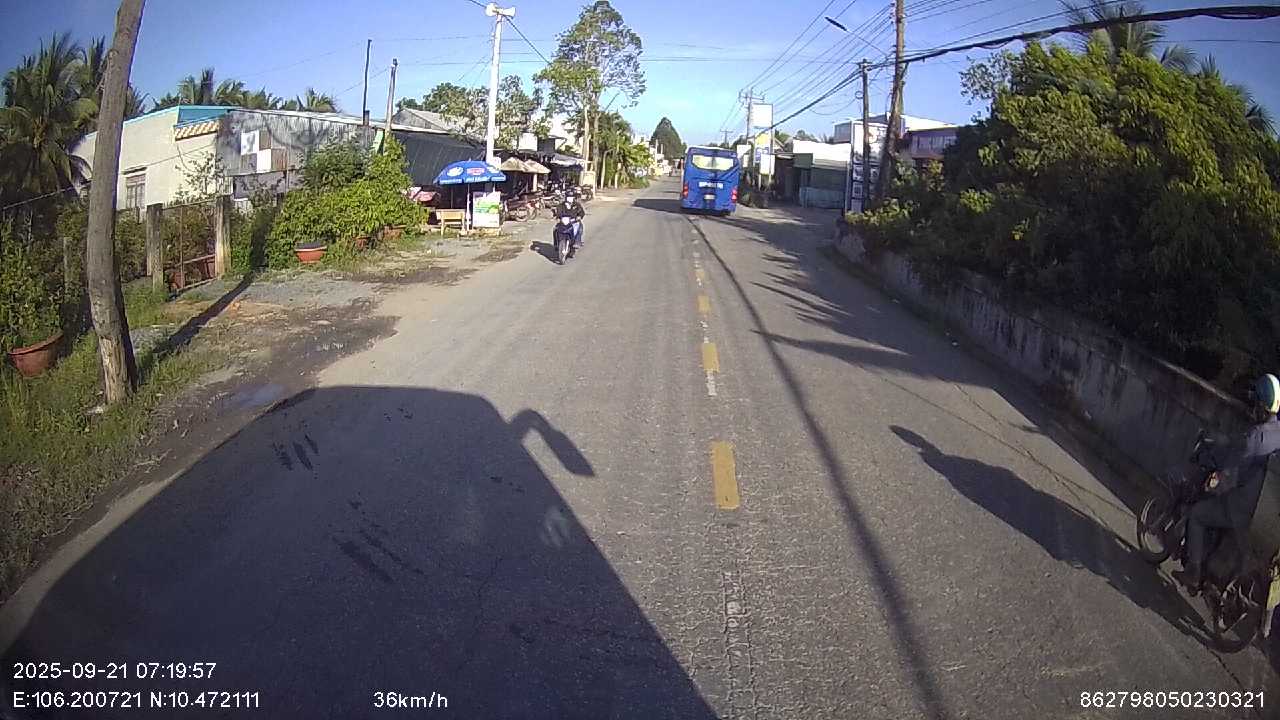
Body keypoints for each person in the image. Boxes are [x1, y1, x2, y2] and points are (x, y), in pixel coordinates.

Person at [1174, 373, 1280, 594]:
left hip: (1238, 507)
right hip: (1257, 510)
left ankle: (1193, 572)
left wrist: (1213, 483)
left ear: (1261, 405)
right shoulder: (1276, 433)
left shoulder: (1256, 436)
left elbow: (1232, 472)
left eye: (1255, 402)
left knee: (1198, 514)